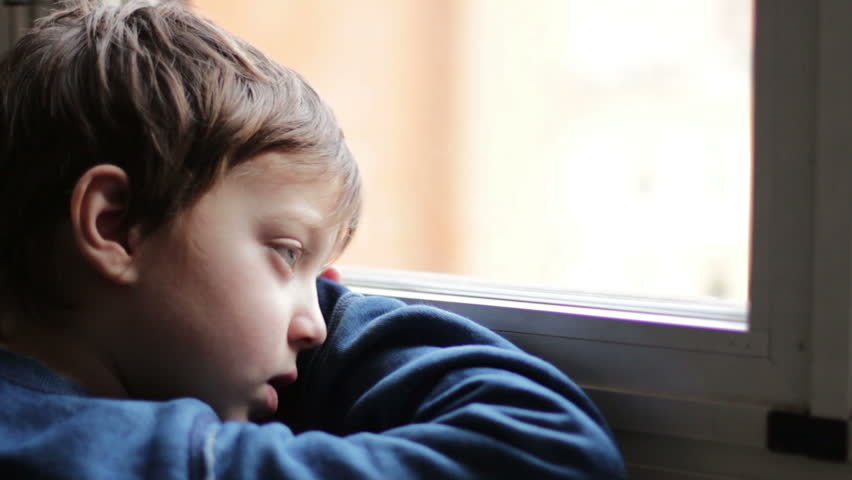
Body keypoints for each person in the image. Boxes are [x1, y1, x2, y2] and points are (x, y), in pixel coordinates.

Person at [0, 0, 627, 478]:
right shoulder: (128, 458)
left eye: (321, 285)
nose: (317, 327)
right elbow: (549, 445)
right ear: (117, 225)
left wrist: (282, 299)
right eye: (288, 252)